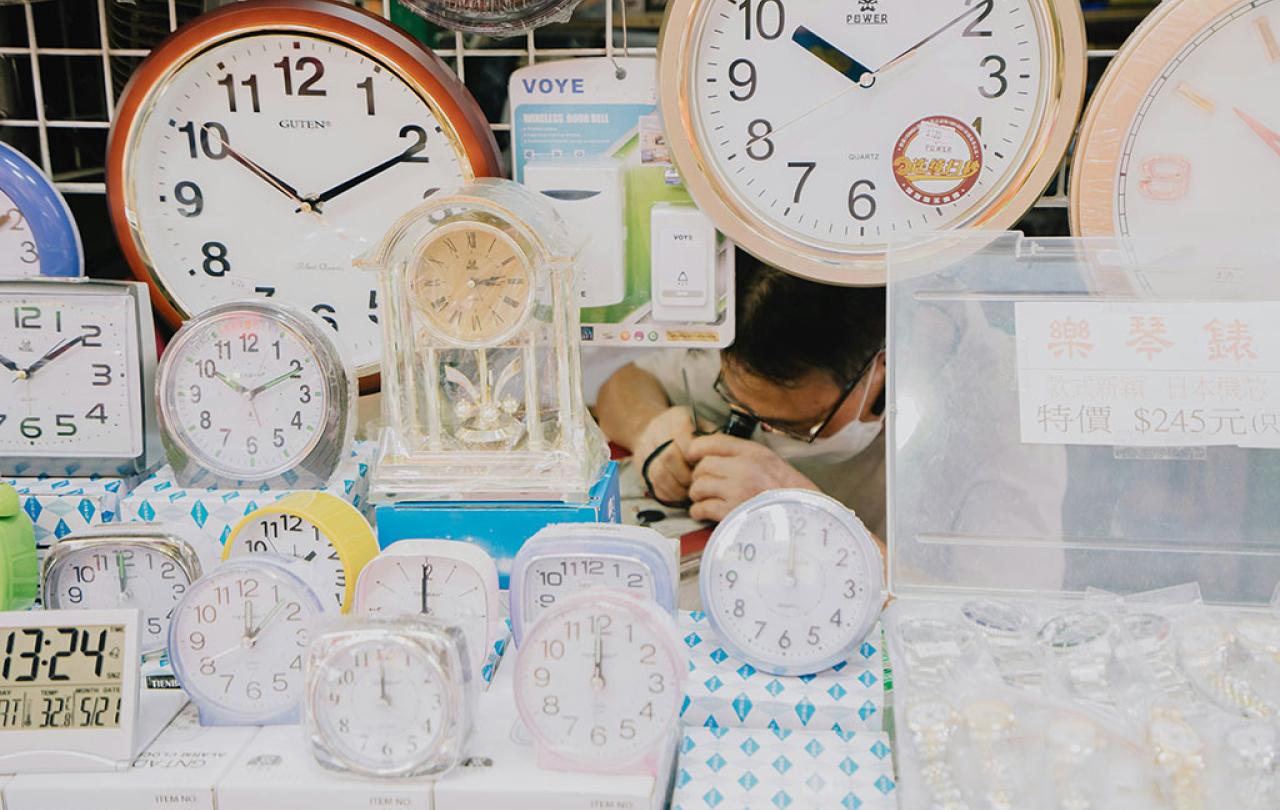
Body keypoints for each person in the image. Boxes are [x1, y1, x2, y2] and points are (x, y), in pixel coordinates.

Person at [597, 251, 888, 535]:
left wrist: (800, 510)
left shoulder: (928, 444)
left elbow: (926, 583)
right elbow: (622, 383)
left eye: (794, 426)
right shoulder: (753, 352)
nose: (763, 431)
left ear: (883, 367)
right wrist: (649, 428)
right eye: (735, 402)